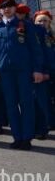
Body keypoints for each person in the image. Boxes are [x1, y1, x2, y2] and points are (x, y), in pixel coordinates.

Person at [0, 0, 43, 150]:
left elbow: (35, 49)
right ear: (0, 11)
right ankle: (17, 137)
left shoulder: (25, 26)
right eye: (3, 7)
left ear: (14, 7)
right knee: (11, 106)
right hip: (5, 73)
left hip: (24, 71)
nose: (7, 9)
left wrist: (37, 70)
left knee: (26, 105)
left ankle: (26, 138)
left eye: (10, 6)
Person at [33, 10, 54, 140]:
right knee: (43, 100)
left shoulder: (52, 35)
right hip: (44, 73)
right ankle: (45, 125)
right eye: (39, 21)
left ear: (49, 22)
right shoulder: (35, 36)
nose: (42, 23)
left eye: (45, 20)